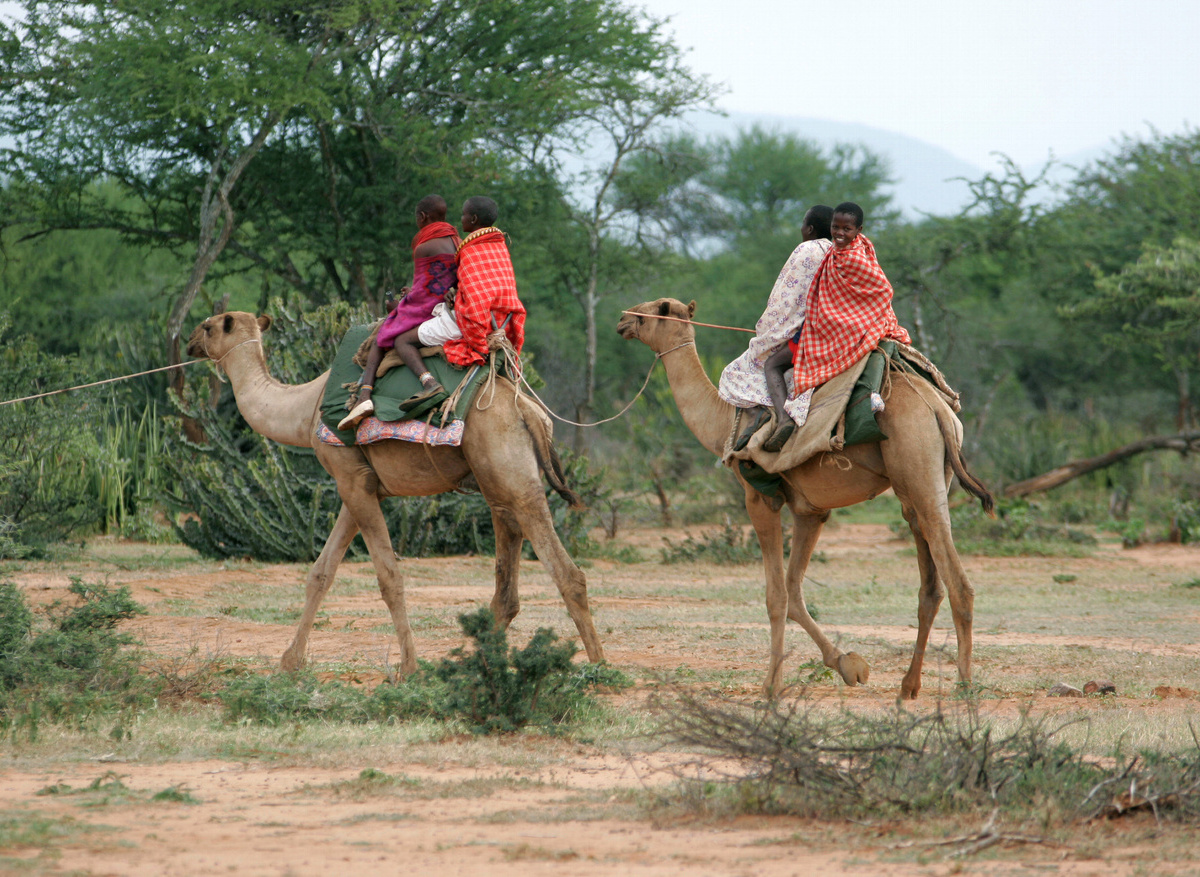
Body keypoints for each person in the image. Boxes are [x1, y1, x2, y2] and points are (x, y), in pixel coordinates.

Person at [762, 200, 911, 451]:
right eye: (836, 227)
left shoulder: (847, 256)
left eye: (846, 229)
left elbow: (883, 289)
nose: (839, 233)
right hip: (837, 321)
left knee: (771, 364)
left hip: (839, 327)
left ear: (858, 230)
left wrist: (849, 319)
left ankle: (784, 420)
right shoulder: (852, 248)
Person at [718, 205, 834, 451]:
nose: (801, 229)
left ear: (810, 229)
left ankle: (781, 419)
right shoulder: (840, 251)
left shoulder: (807, 249)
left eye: (803, 223)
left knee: (769, 364)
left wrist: (769, 333)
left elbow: (786, 300)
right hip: (841, 333)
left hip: (813, 336)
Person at [339, 195, 460, 430]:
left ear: (422, 217)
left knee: (384, 333)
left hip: (431, 311)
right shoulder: (456, 241)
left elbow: (424, 298)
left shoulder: (424, 246)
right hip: (449, 307)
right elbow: (438, 284)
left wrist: (399, 307)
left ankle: (364, 396)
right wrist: (411, 292)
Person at [440, 195, 526, 368]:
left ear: (473, 219)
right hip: (504, 326)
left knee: (414, 337)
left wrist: (479, 346)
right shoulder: (499, 245)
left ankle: (428, 382)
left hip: (481, 328)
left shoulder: (470, 250)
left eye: (463, 214)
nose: (461, 218)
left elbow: (476, 303)